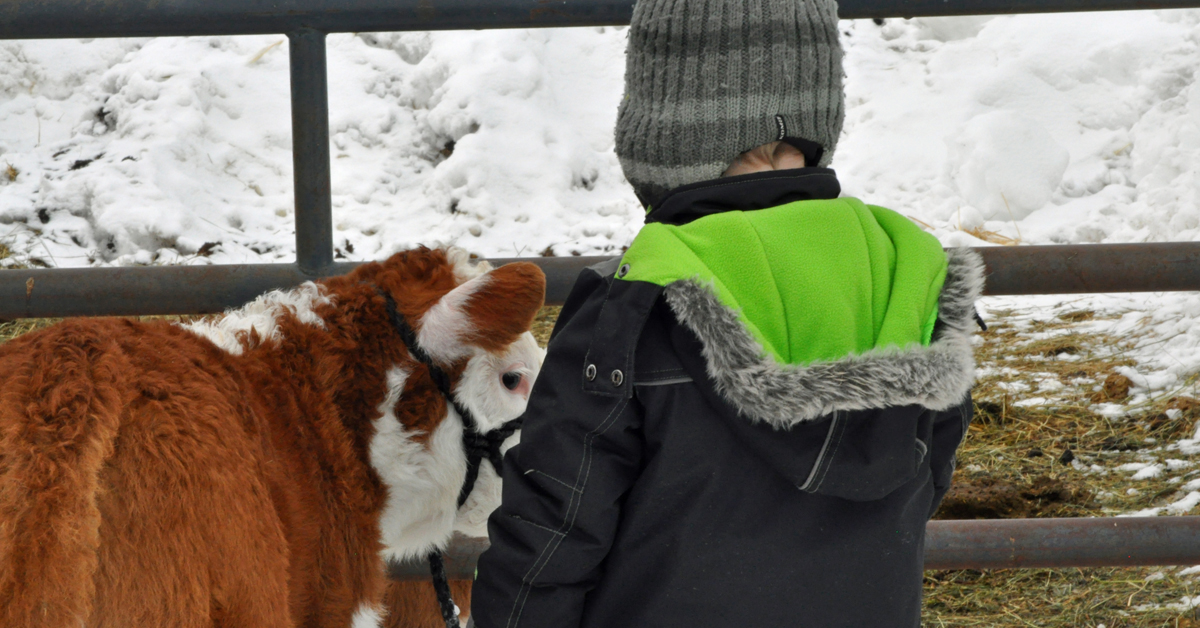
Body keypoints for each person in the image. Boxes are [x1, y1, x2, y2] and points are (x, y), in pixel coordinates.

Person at [469, 0, 984, 625]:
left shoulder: (639, 295)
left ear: (664, 128)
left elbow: (554, 525)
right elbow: (929, 474)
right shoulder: (907, 267)